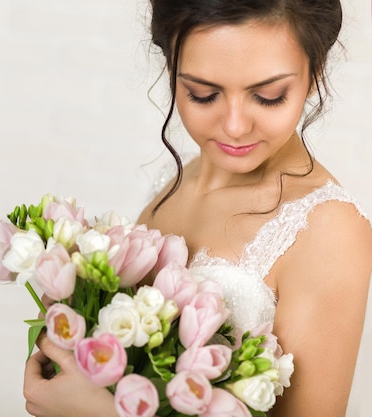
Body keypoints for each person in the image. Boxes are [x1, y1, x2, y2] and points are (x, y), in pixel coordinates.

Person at [22, 0, 372, 416]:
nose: (235, 126)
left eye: (268, 96)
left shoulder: (329, 230)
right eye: (203, 95)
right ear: (171, 69)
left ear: (314, 73)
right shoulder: (180, 177)